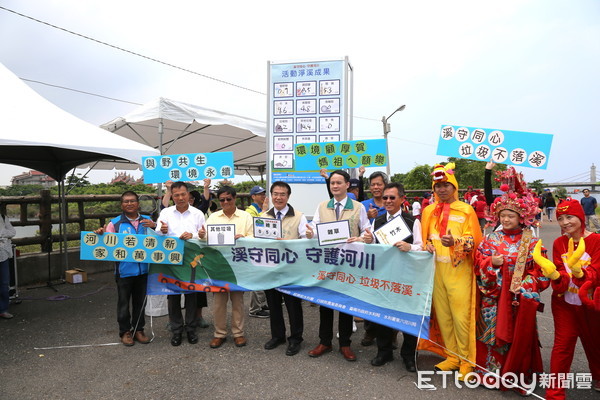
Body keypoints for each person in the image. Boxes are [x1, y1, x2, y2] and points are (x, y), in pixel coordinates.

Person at [474, 169, 550, 391]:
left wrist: (527, 284)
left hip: (519, 299)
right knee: (491, 335)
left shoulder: (532, 242)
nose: (506, 220)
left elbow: (543, 271)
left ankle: (518, 374)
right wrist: (491, 265)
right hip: (494, 299)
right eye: (503, 216)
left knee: (519, 336)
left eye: (511, 216)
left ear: (521, 218)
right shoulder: (490, 239)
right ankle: (490, 373)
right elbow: (478, 263)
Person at [420, 162, 482, 380]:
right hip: (436, 271)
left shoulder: (466, 210)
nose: (442, 189)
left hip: (459, 271)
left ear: (454, 187)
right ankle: (452, 356)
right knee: (444, 316)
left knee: (461, 317)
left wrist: (454, 241)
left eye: (446, 185)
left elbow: (475, 241)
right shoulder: (428, 211)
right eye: (438, 186)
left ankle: (467, 361)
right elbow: (425, 238)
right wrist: (426, 244)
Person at [533, 200, 600, 398]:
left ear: (580, 217)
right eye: (560, 218)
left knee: (594, 342)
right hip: (564, 304)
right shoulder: (559, 243)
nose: (565, 223)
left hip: (591, 303)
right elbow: (560, 271)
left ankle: (598, 375)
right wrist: (556, 276)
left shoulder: (596, 241)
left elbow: (596, 272)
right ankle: (555, 393)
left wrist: (581, 274)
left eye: (569, 217)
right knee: (562, 346)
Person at [305, 169, 370, 361]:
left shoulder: (358, 207)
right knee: (325, 303)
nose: (335, 186)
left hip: (349, 263)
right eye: (332, 183)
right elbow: (315, 228)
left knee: (345, 304)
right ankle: (324, 341)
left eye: (339, 183)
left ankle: (345, 344)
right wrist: (311, 234)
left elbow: (367, 231)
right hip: (327, 261)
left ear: (347, 185)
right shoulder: (323, 205)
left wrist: (363, 237)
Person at [363, 182, 422, 371]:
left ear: (402, 199)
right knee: (383, 314)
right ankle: (384, 352)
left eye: (392, 197)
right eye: (385, 198)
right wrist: (365, 239)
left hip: (407, 276)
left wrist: (410, 247)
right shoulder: (377, 221)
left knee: (408, 316)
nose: (388, 201)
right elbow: (371, 243)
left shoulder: (413, 221)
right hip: (384, 275)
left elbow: (421, 246)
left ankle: (409, 355)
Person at [94, 191, 156, 346]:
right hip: (124, 271)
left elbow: (160, 239)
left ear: (138, 203)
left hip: (144, 271)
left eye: (133, 201)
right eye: (126, 201)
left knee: (140, 302)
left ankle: (139, 330)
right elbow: (107, 245)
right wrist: (100, 235)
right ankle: (125, 331)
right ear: (121, 205)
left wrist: (156, 227)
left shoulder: (148, 221)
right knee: (123, 302)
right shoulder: (114, 224)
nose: (129, 204)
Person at [199, 186, 253, 349]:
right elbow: (204, 238)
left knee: (237, 301)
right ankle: (219, 333)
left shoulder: (245, 216)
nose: (225, 202)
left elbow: (253, 237)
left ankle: (238, 333)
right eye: (222, 200)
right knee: (219, 303)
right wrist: (201, 236)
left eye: (228, 199)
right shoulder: (214, 217)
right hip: (218, 265)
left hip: (238, 264)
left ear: (235, 198)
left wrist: (243, 237)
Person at [156, 182, 206, 346]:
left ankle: (191, 329)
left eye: (183, 194)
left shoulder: (198, 213)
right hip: (172, 259)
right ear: (172, 195)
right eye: (176, 195)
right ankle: (176, 330)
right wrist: (162, 231)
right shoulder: (166, 212)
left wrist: (194, 235)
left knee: (192, 294)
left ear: (188, 194)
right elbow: (158, 232)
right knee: (173, 295)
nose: (180, 198)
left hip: (191, 260)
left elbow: (204, 236)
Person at [261, 181, 308, 356]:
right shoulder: (263, 216)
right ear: (271, 196)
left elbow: (306, 243)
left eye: (282, 194)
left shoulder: (299, 216)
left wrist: (287, 243)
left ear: (288, 196)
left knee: (293, 306)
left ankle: (296, 339)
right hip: (271, 269)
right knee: (273, 305)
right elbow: (256, 241)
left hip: (291, 270)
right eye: (275, 194)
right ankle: (277, 336)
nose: (278, 197)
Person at [245, 185, 270, 318]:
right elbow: (256, 225)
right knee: (256, 278)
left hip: (262, 247)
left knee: (262, 277)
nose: (263, 196)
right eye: (260, 194)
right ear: (253, 196)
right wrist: (265, 210)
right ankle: (254, 309)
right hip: (254, 248)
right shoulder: (250, 210)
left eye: (263, 193)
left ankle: (260, 304)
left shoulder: (260, 208)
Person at [0, 209, 16, 320]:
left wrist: (1, 234)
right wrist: (4, 235)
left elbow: (13, 232)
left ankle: (3, 309)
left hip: (3, 254)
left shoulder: (3, 217)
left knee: (4, 283)